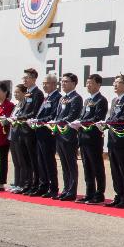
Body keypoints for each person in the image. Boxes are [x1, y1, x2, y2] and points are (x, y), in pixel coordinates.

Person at [78, 73, 109, 204]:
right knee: (87, 167)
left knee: (97, 166)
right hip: (84, 137)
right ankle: (89, 192)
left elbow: (97, 118)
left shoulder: (101, 100)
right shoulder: (87, 100)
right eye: (87, 83)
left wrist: (82, 122)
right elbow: (82, 115)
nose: (88, 85)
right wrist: (78, 121)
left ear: (98, 84)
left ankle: (99, 193)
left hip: (94, 138)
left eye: (90, 83)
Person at [106, 74, 124, 208]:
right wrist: (107, 123)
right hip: (112, 140)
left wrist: (110, 122)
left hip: (122, 141)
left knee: (123, 169)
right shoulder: (114, 100)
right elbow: (112, 117)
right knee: (114, 170)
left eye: (118, 82)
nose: (115, 85)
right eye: (114, 82)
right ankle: (118, 195)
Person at [54, 73, 84, 202]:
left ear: (73, 83)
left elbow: (72, 116)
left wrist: (59, 121)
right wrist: (55, 121)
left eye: (66, 81)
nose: (63, 84)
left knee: (71, 164)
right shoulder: (62, 98)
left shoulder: (76, 98)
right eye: (62, 81)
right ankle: (66, 189)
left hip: (69, 135)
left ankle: (72, 190)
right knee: (64, 164)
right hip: (60, 134)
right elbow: (58, 114)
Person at [33, 74, 61, 198]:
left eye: (47, 83)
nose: (44, 85)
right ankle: (43, 185)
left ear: (54, 84)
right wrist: (36, 120)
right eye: (43, 83)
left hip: (48, 134)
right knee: (41, 161)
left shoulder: (57, 97)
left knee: (49, 161)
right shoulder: (47, 97)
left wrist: (39, 121)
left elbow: (53, 115)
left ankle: (53, 187)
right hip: (39, 132)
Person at [19, 68, 44, 194]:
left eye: (27, 78)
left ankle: (36, 184)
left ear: (34, 79)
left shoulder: (38, 94)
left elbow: (35, 112)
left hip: (31, 131)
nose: (24, 80)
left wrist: (22, 117)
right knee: (25, 159)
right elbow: (22, 109)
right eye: (24, 78)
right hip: (22, 130)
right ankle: (27, 183)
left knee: (33, 159)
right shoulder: (27, 93)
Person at [9, 83, 36, 193]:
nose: (15, 94)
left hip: (20, 134)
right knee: (16, 162)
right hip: (13, 134)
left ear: (24, 94)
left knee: (22, 161)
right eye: (14, 92)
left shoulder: (23, 105)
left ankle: (22, 183)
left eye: (18, 92)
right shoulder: (17, 105)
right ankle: (17, 182)